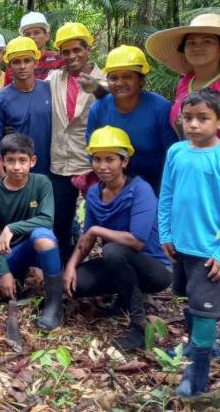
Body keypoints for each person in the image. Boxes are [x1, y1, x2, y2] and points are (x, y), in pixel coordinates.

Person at [146, 13, 220, 335]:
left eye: (208, 40)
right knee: (202, 243)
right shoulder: (187, 82)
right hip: (196, 172)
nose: (198, 47)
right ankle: (218, 306)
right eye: (192, 42)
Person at [159, 89, 220, 397]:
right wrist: (165, 233)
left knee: (204, 310)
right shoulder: (176, 152)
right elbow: (167, 194)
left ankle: (196, 377)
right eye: (188, 118)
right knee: (190, 300)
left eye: (202, 119)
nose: (193, 125)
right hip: (181, 247)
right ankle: (202, 347)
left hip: (210, 253)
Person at [63, 126, 172, 350]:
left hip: (154, 269)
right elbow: (87, 237)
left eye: (110, 159)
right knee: (77, 284)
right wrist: (72, 266)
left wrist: (96, 231)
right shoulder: (94, 192)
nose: (103, 166)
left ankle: (139, 325)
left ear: (124, 161)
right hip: (119, 265)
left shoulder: (140, 190)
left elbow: (136, 241)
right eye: (97, 159)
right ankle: (124, 296)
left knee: (113, 251)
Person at [0, 134, 63, 331]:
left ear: (32, 161)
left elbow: (47, 219)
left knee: (41, 237)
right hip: (9, 250)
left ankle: (55, 303)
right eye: (10, 161)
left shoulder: (41, 183)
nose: (17, 166)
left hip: (34, 245)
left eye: (22, 160)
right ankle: (16, 275)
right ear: (2, 162)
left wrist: (12, 227)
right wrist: (4, 273)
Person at [47, 22, 105, 264]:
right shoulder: (52, 79)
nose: (71, 56)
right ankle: (63, 268)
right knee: (60, 220)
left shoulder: (105, 78)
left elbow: (119, 101)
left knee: (99, 219)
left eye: (76, 50)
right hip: (59, 163)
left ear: (87, 49)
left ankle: (104, 270)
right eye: (66, 52)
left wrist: (101, 89)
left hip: (92, 165)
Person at [85, 45, 178, 193]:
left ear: (140, 80)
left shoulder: (159, 108)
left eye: (127, 76)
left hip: (158, 187)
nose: (120, 82)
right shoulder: (98, 109)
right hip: (114, 187)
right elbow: (92, 152)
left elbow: (173, 154)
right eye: (114, 78)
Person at [0, 36, 52, 178]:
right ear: (9, 67)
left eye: (27, 61)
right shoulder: (0, 99)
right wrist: (2, 174)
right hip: (17, 171)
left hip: (51, 169)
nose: (22, 66)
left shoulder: (49, 90)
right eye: (16, 62)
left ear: (35, 63)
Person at [4, 11, 62, 85]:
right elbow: (7, 92)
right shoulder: (14, 62)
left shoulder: (59, 59)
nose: (32, 37)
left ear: (47, 36)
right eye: (27, 34)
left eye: (36, 32)